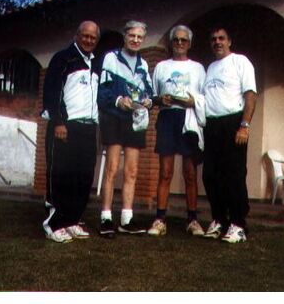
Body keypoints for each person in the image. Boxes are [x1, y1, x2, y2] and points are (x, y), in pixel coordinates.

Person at [42, 21, 101, 243]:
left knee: (83, 177)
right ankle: (54, 224)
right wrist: (58, 122)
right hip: (65, 127)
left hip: (88, 129)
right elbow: (52, 92)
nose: (88, 40)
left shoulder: (96, 64)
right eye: (85, 36)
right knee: (61, 176)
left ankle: (72, 220)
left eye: (93, 37)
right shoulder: (63, 58)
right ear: (77, 35)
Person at [147, 25, 206, 237]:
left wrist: (193, 101)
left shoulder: (198, 68)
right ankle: (160, 219)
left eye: (183, 40)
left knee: (190, 174)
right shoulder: (162, 66)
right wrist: (158, 100)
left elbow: (204, 97)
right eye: (176, 40)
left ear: (189, 44)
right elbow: (152, 97)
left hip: (189, 119)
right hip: (167, 118)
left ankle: (192, 220)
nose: (179, 43)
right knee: (165, 172)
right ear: (171, 43)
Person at [97, 20, 153, 238]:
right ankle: (106, 218)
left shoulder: (143, 64)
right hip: (114, 118)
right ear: (125, 36)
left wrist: (148, 101)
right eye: (132, 36)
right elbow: (102, 93)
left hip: (135, 120)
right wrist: (119, 100)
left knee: (131, 171)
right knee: (112, 169)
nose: (136, 40)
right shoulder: (111, 58)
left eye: (140, 37)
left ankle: (126, 220)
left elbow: (148, 91)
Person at [202, 26, 257, 243]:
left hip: (234, 123)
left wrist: (244, 125)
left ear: (229, 41)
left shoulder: (240, 61)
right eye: (213, 39)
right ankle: (219, 219)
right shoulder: (211, 67)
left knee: (234, 175)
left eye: (221, 38)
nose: (217, 42)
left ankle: (238, 224)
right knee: (211, 175)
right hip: (212, 125)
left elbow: (251, 95)